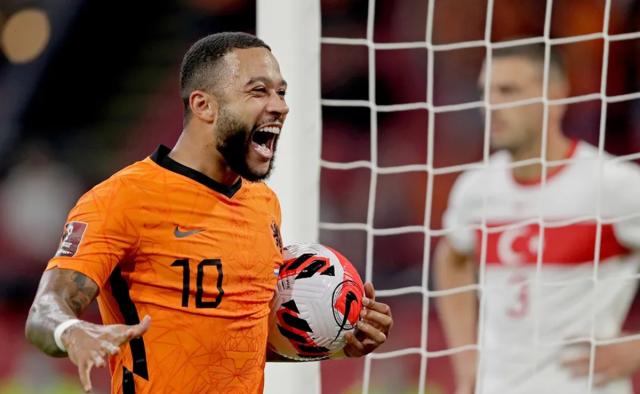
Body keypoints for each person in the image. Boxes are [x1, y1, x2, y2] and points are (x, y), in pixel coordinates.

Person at [25, 32, 393, 394]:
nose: (280, 106)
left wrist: (334, 342)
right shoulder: (122, 199)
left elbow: (238, 343)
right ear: (203, 105)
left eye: (281, 92)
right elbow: (44, 310)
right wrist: (70, 332)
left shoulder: (263, 203)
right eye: (258, 91)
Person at [435, 43, 640, 394]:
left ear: (555, 95)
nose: (492, 106)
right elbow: (451, 258)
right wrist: (466, 359)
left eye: (508, 91)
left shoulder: (613, 185)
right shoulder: (475, 188)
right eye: (486, 92)